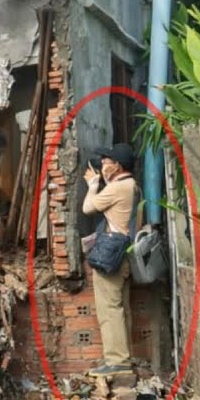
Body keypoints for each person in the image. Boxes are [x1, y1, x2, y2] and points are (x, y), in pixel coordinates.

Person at [81, 142, 139, 380]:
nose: (103, 165)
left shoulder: (117, 188)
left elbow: (87, 208)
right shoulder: (132, 185)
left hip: (110, 254)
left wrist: (93, 186)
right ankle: (123, 357)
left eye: (107, 162)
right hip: (123, 252)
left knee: (109, 309)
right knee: (121, 307)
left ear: (118, 166)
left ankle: (117, 361)